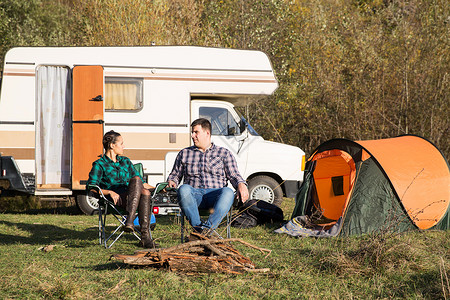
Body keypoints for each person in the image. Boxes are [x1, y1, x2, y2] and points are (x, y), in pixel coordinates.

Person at [167, 118, 249, 235]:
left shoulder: (224, 153)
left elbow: (234, 175)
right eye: (192, 132)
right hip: (194, 196)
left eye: (196, 132)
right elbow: (175, 175)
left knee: (228, 192)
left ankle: (206, 230)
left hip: (215, 196)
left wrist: (241, 184)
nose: (192, 135)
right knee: (183, 189)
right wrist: (172, 181)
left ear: (207, 133)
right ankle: (199, 230)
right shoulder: (184, 153)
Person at [87, 130, 158, 248]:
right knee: (140, 187)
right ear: (112, 145)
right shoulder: (100, 164)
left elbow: (141, 183)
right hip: (114, 200)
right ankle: (143, 235)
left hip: (131, 196)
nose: (123, 146)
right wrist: (109, 191)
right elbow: (92, 187)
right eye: (121, 143)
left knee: (141, 186)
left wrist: (158, 188)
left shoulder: (125, 161)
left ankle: (132, 223)